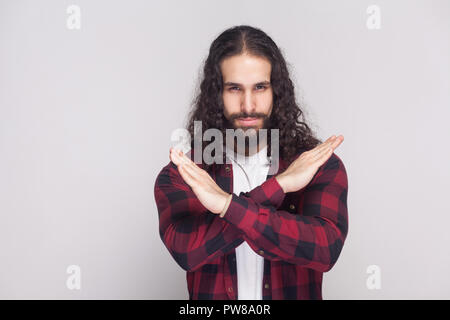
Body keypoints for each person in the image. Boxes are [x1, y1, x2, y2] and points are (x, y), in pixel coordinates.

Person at [154, 25, 348, 300]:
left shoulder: (315, 165)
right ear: (216, 94)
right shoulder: (186, 174)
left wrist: (225, 205)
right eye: (234, 89)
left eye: (260, 87)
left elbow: (324, 249)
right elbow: (188, 251)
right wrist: (279, 185)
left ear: (276, 92)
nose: (248, 105)